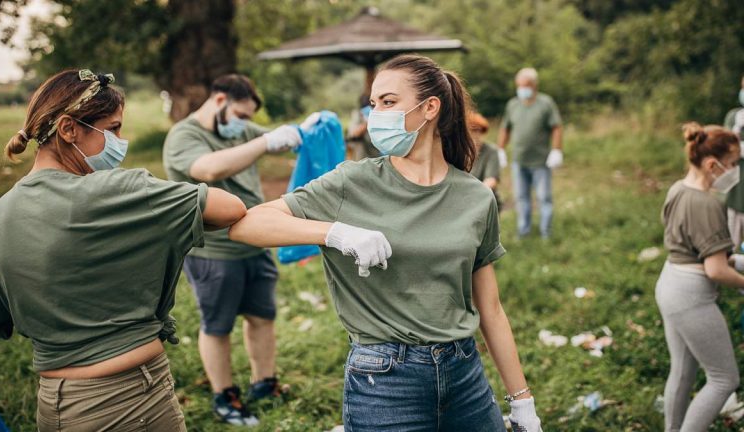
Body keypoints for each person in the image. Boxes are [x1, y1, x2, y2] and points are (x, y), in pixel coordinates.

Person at [228, 54, 542, 431]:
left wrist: (522, 402)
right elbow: (248, 224)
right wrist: (335, 233)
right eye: (373, 104)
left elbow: (490, 309)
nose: (375, 115)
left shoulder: (476, 198)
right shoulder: (352, 182)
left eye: (388, 103)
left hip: (465, 375)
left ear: (429, 108)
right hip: (384, 380)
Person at [0, 69, 247, 432]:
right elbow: (229, 208)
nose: (122, 139)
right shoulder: (118, 192)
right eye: (114, 128)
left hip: (55, 403)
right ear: (69, 129)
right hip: (128, 401)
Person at [162, 73, 306, 426]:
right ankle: (225, 395)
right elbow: (208, 168)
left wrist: (307, 127)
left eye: (249, 119)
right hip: (213, 251)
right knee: (218, 325)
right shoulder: (185, 135)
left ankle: (264, 383)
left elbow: (277, 140)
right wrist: (265, 141)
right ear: (221, 100)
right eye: (242, 115)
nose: (245, 125)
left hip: (256, 242)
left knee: (262, 316)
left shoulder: (238, 127)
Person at [656, 122, 741, 432]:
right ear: (711, 164)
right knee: (724, 378)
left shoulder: (678, 189)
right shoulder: (707, 204)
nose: (735, 171)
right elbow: (716, 269)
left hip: (670, 284)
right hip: (691, 298)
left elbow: (706, 252)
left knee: (682, 370)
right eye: (733, 164)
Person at [497, 67, 563, 239]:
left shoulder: (546, 103)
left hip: (541, 161)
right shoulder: (513, 105)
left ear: (534, 85)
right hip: (519, 161)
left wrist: (556, 150)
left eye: (525, 85)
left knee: (544, 198)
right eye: (519, 85)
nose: (522, 89)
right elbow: (505, 128)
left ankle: (546, 233)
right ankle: (523, 231)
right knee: (521, 198)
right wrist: (501, 149)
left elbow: (556, 127)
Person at [723, 75, 744, 249]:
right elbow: (724, 151)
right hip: (735, 195)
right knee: (730, 245)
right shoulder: (734, 117)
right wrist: (736, 131)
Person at [468, 111, 503, 211]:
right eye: (472, 130)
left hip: (484, 198)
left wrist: (474, 194)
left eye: (479, 130)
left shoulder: (491, 151)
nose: (476, 134)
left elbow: (492, 180)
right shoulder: (457, 151)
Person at [346, 94, 380, 160]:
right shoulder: (358, 115)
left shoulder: (377, 114)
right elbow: (354, 133)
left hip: (375, 155)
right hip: (362, 157)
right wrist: (367, 122)